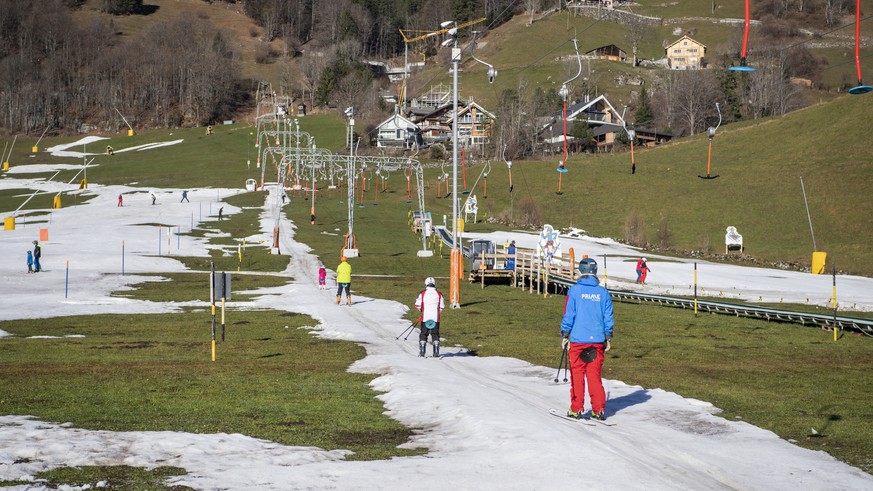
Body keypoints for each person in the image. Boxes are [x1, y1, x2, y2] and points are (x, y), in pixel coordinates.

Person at [560, 257, 614, 421]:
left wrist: (565, 333)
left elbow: (569, 314)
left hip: (578, 340)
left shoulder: (574, 291)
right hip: (597, 341)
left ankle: (576, 409)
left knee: (577, 375)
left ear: (580, 272)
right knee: (594, 376)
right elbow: (608, 317)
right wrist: (608, 336)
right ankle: (598, 409)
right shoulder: (603, 292)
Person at [415, 277, 445, 357]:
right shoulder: (439, 294)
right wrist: (438, 312)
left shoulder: (422, 293)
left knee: (424, 334)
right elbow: (442, 307)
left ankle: (422, 351)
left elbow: (417, 305)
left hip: (425, 317)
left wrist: (422, 311)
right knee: (435, 334)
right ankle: (436, 352)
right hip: (435, 318)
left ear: (425, 284)